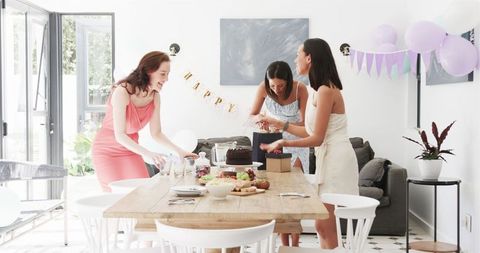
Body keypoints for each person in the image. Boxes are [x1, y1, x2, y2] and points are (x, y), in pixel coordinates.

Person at [260, 38, 359, 249]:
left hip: (337, 159)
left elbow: (317, 138)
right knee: (322, 225)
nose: (296, 59)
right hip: (327, 157)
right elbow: (309, 131)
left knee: (324, 226)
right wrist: (280, 124)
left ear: (309, 58)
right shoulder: (317, 90)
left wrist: (283, 141)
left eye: (298, 54)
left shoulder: (326, 91)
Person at [92, 51, 198, 192]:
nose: (166, 79)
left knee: (143, 192)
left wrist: (180, 151)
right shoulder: (122, 92)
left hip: (130, 150)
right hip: (107, 151)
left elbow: (156, 133)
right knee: (115, 196)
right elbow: (120, 135)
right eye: (162, 74)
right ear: (148, 71)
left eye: (167, 74)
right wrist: (149, 154)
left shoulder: (155, 97)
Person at [250, 61, 309, 247]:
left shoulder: (301, 89)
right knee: (279, 194)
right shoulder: (263, 88)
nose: (276, 89)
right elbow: (252, 114)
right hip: (273, 142)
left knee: (295, 193)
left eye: (281, 85)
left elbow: (307, 124)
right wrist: (260, 120)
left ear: (289, 81)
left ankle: (296, 243)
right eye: (273, 85)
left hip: (297, 142)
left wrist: (278, 122)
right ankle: (284, 244)